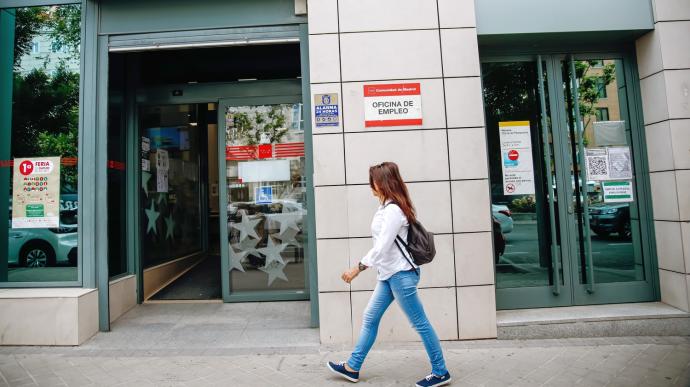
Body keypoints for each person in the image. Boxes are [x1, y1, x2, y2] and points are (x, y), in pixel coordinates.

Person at [326, 162, 451, 387]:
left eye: (373, 180)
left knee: (420, 323)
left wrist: (358, 267)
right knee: (370, 317)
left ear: (383, 182)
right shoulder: (386, 207)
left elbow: (382, 245)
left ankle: (441, 371)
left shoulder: (393, 210)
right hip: (389, 275)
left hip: (401, 276)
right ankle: (352, 367)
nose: (370, 184)